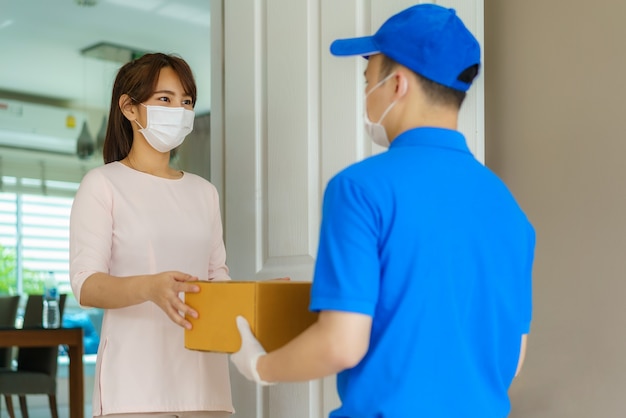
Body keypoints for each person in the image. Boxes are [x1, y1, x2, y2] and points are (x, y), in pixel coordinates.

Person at [231, 4, 534, 417]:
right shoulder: (508, 209)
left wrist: (260, 366)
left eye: (367, 78)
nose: (366, 92)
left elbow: (341, 344)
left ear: (398, 84)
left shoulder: (360, 189)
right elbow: (513, 356)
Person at [69, 53, 234, 418]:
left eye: (186, 101)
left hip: (204, 385)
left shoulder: (204, 192)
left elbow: (217, 279)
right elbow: (86, 285)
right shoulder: (102, 185)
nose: (179, 110)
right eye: (165, 99)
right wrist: (150, 288)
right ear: (129, 108)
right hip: (134, 387)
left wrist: (257, 300)